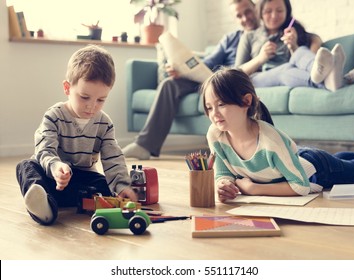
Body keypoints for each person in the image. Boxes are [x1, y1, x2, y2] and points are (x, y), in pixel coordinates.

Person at [201, 67, 354, 202]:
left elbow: (300, 186)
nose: (214, 114)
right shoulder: (216, 135)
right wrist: (223, 184)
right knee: (342, 160)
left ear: (246, 101)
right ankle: (350, 156)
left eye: (221, 104)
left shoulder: (270, 140)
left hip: (317, 169)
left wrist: (254, 189)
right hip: (292, 159)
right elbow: (223, 173)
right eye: (209, 107)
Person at [122, 0, 260, 160]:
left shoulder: (264, 37)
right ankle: (144, 145)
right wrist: (182, 71)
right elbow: (207, 63)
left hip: (233, 84)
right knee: (170, 84)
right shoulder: (231, 38)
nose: (245, 18)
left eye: (248, 12)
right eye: (239, 15)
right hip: (212, 80)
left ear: (256, 9)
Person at [16, 45, 137, 226]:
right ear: (67, 88)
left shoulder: (104, 123)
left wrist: (122, 186)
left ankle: (74, 200)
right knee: (25, 167)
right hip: (51, 177)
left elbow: (113, 157)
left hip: (80, 180)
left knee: (103, 185)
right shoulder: (54, 116)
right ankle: (44, 206)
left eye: (101, 100)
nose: (92, 106)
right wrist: (56, 166)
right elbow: (44, 149)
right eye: (84, 97)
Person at [235, 0, 345, 92]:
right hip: (257, 78)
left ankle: (326, 71)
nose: (274, 16)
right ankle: (327, 81)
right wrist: (260, 58)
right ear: (260, 13)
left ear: (287, 12)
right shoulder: (249, 37)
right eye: (268, 11)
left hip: (292, 73)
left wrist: (293, 46)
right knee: (285, 69)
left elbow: (314, 38)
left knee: (300, 51)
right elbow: (235, 73)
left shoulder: (293, 32)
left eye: (279, 11)